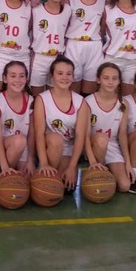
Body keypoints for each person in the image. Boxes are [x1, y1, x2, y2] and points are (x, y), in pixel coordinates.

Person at [34, 55, 88, 191]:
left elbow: (80, 136)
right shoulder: (42, 99)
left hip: (69, 150)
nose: (65, 77)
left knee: (66, 188)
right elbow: (39, 133)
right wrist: (44, 163)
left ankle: (59, 173)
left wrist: (72, 166)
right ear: (52, 76)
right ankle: (45, 172)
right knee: (55, 138)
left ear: (73, 77)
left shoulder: (80, 101)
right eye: (60, 73)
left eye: (69, 74)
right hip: (49, 148)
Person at [83, 62, 135, 194]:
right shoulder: (88, 102)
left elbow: (122, 135)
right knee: (102, 139)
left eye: (114, 78)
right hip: (93, 145)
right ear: (98, 80)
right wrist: (93, 161)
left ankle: (110, 172)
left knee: (125, 186)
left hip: (112, 146)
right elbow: (85, 135)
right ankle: (98, 170)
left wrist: (128, 162)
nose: (110, 82)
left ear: (119, 81)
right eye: (106, 78)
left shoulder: (123, 104)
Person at [63, 0, 106, 96]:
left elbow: (103, 26)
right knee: (73, 90)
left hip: (94, 46)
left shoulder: (104, 0)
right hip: (74, 45)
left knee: (89, 91)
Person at [0, 61, 35, 176]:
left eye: (22, 76)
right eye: (13, 76)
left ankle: (13, 167)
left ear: (26, 79)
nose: (18, 80)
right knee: (19, 141)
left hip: (23, 145)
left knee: (25, 178)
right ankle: (2, 166)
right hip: (2, 145)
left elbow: (31, 134)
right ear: (5, 79)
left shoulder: (31, 101)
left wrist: (30, 160)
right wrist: (5, 167)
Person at [30, 0, 71, 96]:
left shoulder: (68, 10)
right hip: (39, 58)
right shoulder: (35, 10)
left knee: (53, 97)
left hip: (58, 58)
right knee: (37, 97)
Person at [103, 0, 136, 96]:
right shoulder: (107, 9)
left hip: (132, 61)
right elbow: (100, 32)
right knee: (110, 98)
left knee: (127, 99)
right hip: (113, 58)